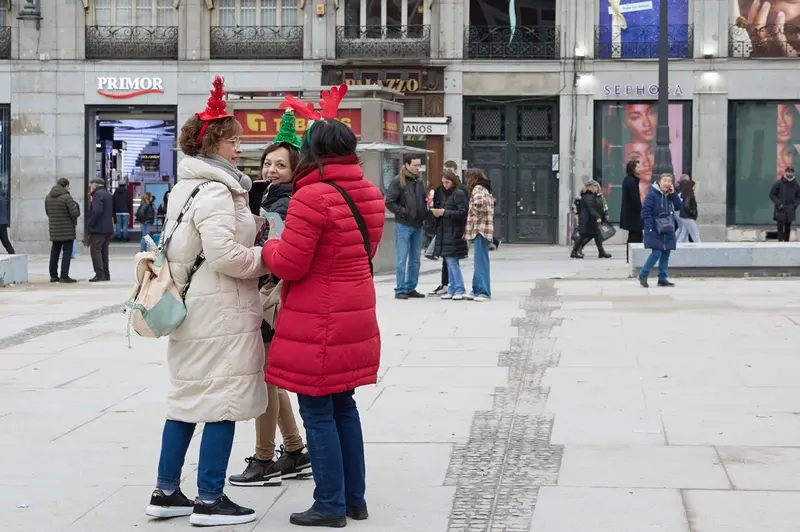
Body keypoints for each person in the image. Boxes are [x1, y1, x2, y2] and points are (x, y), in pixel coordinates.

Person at [144, 76, 269, 527]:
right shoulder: (217, 189)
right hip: (220, 311)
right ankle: (210, 499)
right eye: (234, 141)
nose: (240, 147)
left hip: (192, 309)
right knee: (223, 401)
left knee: (186, 399)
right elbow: (225, 256)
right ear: (213, 143)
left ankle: (166, 492)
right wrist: (266, 255)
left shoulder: (186, 186)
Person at [261, 86, 385, 527]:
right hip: (356, 310)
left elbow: (290, 264)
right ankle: (354, 500)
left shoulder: (311, 197)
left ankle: (329, 504)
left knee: (316, 411)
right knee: (344, 406)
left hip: (320, 317)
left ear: (312, 153)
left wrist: (268, 245)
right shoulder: (370, 192)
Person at [229, 110, 312, 488]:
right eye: (267, 163)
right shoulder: (268, 197)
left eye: (280, 165)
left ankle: (264, 459)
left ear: (295, 170)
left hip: (272, 297)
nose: (271, 170)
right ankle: (294, 450)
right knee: (271, 379)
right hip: (267, 295)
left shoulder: (287, 202)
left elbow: (274, 253)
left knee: (266, 380)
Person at [385, 154, 427, 299]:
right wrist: (404, 212)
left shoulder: (419, 182)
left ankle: (410, 287)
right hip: (403, 224)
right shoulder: (398, 181)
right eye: (415, 165)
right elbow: (390, 201)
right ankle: (400, 289)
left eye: (419, 165)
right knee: (402, 259)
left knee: (415, 260)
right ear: (407, 165)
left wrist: (425, 210)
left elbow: (422, 200)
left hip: (418, 224)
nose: (417, 168)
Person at [638, 173, 682, 288]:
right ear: (659, 182)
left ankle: (662, 278)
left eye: (669, 181)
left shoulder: (670, 195)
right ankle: (643, 274)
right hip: (655, 228)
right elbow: (645, 212)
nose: (667, 183)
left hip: (668, 228)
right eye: (665, 180)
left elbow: (678, 206)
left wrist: (673, 194)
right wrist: (650, 226)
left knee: (666, 252)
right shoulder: (652, 194)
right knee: (656, 252)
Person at [430, 169, 469, 299]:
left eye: (447, 182)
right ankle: (452, 289)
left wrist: (444, 212)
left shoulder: (459, 194)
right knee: (449, 261)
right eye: (443, 182)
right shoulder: (445, 194)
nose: (445, 185)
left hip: (454, 232)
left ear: (453, 181)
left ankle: (459, 289)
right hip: (445, 232)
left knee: (452, 262)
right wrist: (437, 214)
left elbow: (463, 213)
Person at [428, 160, 460, 296]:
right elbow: (435, 205)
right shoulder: (439, 189)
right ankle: (447, 284)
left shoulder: (459, 190)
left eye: (449, 171)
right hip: (441, 225)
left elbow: (462, 211)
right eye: (445, 170)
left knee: (451, 259)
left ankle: (456, 287)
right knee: (446, 258)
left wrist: (444, 212)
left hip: (453, 227)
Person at [464, 168, 494, 301]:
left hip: (480, 230)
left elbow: (479, 205)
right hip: (484, 229)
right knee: (479, 261)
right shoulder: (485, 188)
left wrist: (473, 215)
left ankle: (483, 291)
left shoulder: (477, 189)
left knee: (480, 262)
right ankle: (476, 289)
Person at [44, 178, 80, 283]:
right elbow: (74, 213)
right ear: (66, 186)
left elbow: (47, 212)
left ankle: (53, 275)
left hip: (54, 230)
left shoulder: (48, 197)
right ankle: (64, 276)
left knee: (55, 252)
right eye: (68, 186)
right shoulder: (67, 197)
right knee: (67, 253)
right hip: (67, 230)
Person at [571, 180, 612, 259]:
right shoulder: (589, 196)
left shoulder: (588, 195)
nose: (598, 189)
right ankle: (574, 251)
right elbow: (591, 209)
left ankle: (601, 252)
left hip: (588, 219)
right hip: (587, 220)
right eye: (596, 187)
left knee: (596, 235)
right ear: (592, 187)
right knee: (583, 236)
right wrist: (598, 216)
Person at [87, 178, 114, 282]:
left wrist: (90, 223)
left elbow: (97, 211)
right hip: (107, 228)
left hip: (99, 228)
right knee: (104, 252)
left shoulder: (97, 195)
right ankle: (106, 274)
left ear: (95, 185)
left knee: (96, 250)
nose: (90, 187)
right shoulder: (108, 194)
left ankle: (99, 274)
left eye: (91, 185)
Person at [620, 159, 644, 262]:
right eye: (637, 167)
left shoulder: (629, 180)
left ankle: (631, 259)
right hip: (633, 216)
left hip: (630, 215)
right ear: (632, 169)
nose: (640, 169)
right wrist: (641, 210)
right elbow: (635, 200)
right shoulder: (632, 181)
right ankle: (633, 259)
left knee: (633, 237)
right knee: (636, 238)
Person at [770, 165, 800, 242]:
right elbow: (772, 194)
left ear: (793, 173)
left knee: (788, 227)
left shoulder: (796, 185)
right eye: (788, 172)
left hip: (790, 208)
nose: (790, 173)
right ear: (785, 172)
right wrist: (778, 203)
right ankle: (780, 243)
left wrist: (794, 205)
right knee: (780, 226)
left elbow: (798, 197)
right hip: (780, 208)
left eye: (791, 172)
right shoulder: (779, 183)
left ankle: (786, 243)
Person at [677, 179, 701, 243]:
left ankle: (677, 245)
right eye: (694, 186)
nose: (695, 187)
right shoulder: (690, 195)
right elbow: (686, 206)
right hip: (688, 217)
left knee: (684, 234)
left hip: (685, 217)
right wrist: (693, 212)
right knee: (695, 233)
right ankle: (699, 246)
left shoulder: (687, 194)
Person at [0, 185, 13, 254]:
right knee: (6, 242)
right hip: (3, 222)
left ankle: (12, 254)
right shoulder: (3, 196)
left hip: (1, 222)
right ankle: (12, 254)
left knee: (5, 242)